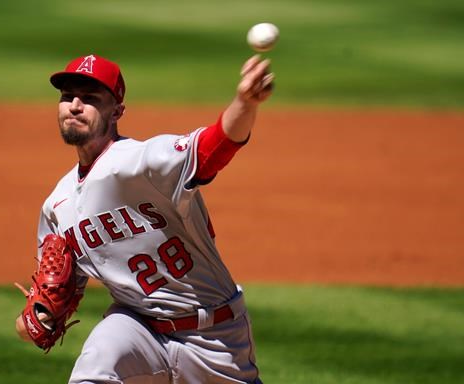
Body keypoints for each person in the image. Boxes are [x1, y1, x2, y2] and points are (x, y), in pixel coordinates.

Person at [16, 53, 273, 383]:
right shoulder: (57, 207)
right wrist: (39, 319)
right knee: (95, 367)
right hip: (137, 327)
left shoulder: (143, 162)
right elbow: (53, 299)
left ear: (117, 111)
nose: (75, 105)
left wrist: (245, 102)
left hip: (214, 337)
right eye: (68, 97)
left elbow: (214, 146)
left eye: (90, 98)